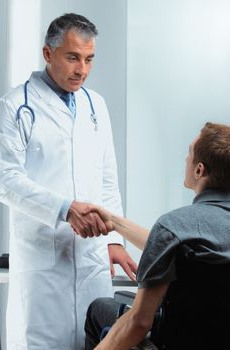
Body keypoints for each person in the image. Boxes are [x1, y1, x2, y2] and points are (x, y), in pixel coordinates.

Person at [0, 13, 137, 350]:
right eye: (72, 57)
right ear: (47, 53)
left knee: (97, 339)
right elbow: (5, 181)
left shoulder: (95, 105)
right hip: (43, 256)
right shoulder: (15, 106)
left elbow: (107, 178)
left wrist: (114, 240)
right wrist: (65, 209)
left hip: (91, 255)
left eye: (88, 59)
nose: (81, 69)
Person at [83, 122, 230, 350]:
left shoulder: (176, 226)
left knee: (99, 309)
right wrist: (115, 223)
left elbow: (139, 324)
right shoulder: (179, 231)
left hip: (176, 341)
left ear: (199, 170)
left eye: (189, 153)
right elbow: (170, 245)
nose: (185, 159)